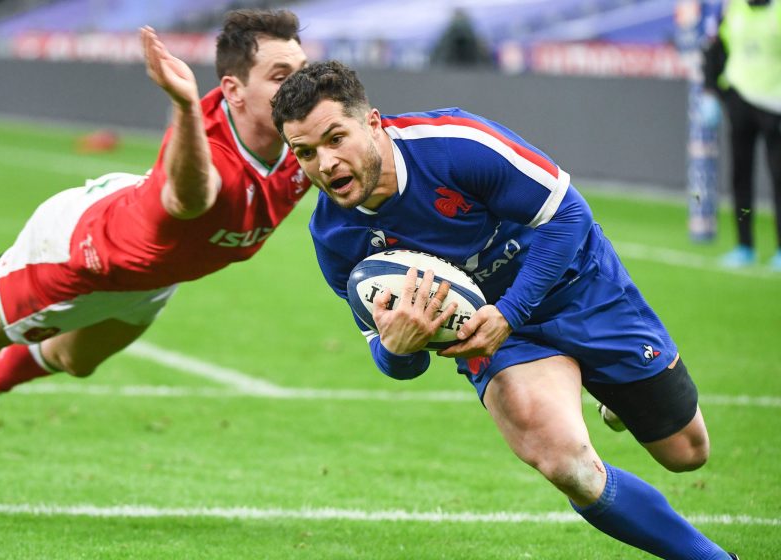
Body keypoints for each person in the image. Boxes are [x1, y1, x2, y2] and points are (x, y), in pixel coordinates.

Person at [271, 61, 738, 559]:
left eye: (335, 138)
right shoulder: (336, 238)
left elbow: (570, 214)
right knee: (568, 466)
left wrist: (511, 311)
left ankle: (613, 398)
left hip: (577, 286)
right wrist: (397, 348)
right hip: (495, 338)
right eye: (305, 153)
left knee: (687, 453)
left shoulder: (456, 146)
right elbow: (394, 362)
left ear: (373, 123)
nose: (325, 163)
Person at [0, 9, 309, 499]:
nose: (297, 88)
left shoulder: (305, 139)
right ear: (234, 91)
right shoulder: (204, 142)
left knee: (76, 359)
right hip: (82, 251)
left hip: (153, 274)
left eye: (301, 72)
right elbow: (191, 199)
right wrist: (184, 106)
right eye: (280, 77)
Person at [703, 0, 781, 270]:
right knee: (740, 176)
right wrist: (711, 91)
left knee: (779, 177)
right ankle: (744, 245)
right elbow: (715, 47)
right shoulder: (733, 8)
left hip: (775, 104)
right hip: (740, 101)